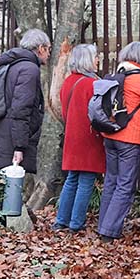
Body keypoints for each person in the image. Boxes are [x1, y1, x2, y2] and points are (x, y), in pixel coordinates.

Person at [97, 41, 140, 242]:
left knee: (111, 181)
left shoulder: (116, 75)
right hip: (129, 138)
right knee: (125, 184)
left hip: (110, 135)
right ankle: (109, 231)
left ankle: (103, 224)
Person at [53, 44, 104, 232]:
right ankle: (76, 223)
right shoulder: (91, 84)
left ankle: (61, 220)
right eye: (95, 56)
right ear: (86, 60)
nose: (97, 59)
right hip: (88, 137)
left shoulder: (68, 82)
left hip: (72, 137)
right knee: (86, 181)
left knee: (72, 178)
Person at [0, 29, 50, 174]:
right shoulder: (30, 69)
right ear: (40, 48)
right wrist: (19, 147)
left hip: (2, 134)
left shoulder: (12, 66)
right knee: (12, 190)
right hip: (12, 141)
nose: (49, 54)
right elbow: (21, 109)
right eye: (48, 49)